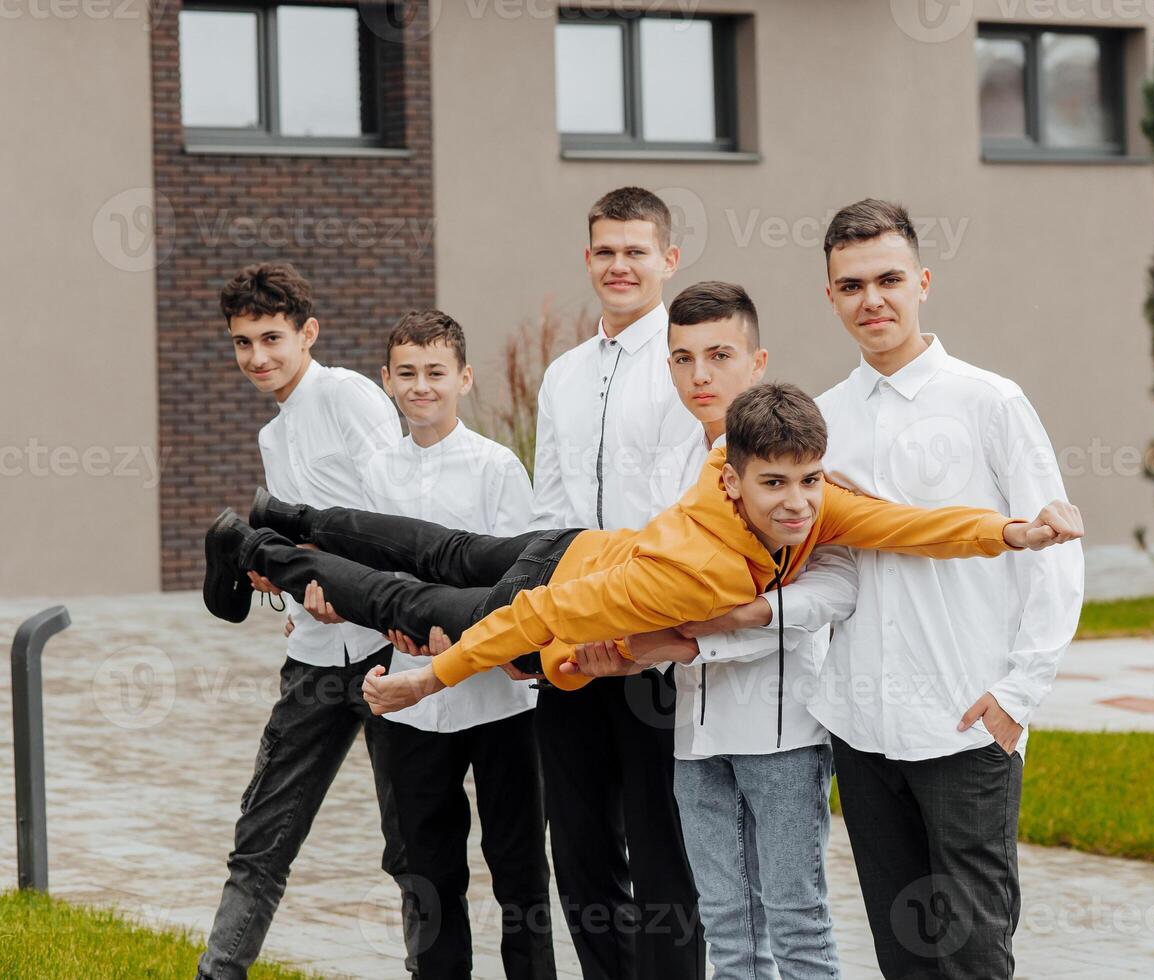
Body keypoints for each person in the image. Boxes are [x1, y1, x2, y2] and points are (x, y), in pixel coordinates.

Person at [200, 383, 1083, 724]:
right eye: (777, 485)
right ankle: (259, 544)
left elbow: (907, 524)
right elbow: (545, 617)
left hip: (569, 543)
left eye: (810, 481)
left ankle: (287, 509)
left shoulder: (805, 501)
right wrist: (433, 678)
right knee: (405, 603)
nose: (800, 505)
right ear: (733, 482)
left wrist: (1011, 531)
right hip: (561, 579)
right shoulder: (690, 570)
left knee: (440, 545)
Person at [742, 199, 1087, 980]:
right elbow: (829, 563)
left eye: (889, 279)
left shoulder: (989, 401)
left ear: (922, 281)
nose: (874, 300)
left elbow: (1054, 553)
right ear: (830, 297)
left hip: (967, 721)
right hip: (863, 727)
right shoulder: (822, 420)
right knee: (903, 954)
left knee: (970, 953)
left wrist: (1017, 693)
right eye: (852, 285)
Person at [569, 281, 852, 980]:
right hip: (695, 733)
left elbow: (834, 587)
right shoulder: (675, 470)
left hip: (782, 731)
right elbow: (653, 591)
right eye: (682, 358)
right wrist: (625, 649)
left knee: (796, 921)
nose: (701, 375)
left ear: (757, 362)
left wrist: (720, 628)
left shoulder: (802, 455)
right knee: (727, 926)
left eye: (719, 355)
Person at [196, 262, 414, 980]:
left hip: (389, 652)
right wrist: (286, 589)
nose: (257, 357)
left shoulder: (349, 395)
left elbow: (396, 515)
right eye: (242, 343)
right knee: (261, 836)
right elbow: (300, 545)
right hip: (318, 659)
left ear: (307, 333)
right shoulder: (272, 437)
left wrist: (335, 572)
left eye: (271, 338)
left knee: (412, 846)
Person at [526, 186, 706, 979]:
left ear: (668, 259)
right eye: (606, 251)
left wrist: (631, 628)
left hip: (650, 651)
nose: (620, 265)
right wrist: (553, 622)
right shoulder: (562, 375)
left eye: (637, 251)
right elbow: (547, 511)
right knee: (580, 848)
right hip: (569, 640)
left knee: (663, 851)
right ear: (587, 259)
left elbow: (684, 514)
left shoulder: (687, 365)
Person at [358, 310, 556, 978]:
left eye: (436, 373)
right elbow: (365, 576)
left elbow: (518, 582)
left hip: (498, 702)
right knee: (427, 874)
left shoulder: (497, 468)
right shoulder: (373, 473)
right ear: (386, 380)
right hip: (410, 706)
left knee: (519, 869)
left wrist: (463, 629)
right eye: (407, 373)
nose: (422, 387)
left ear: (463, 379)